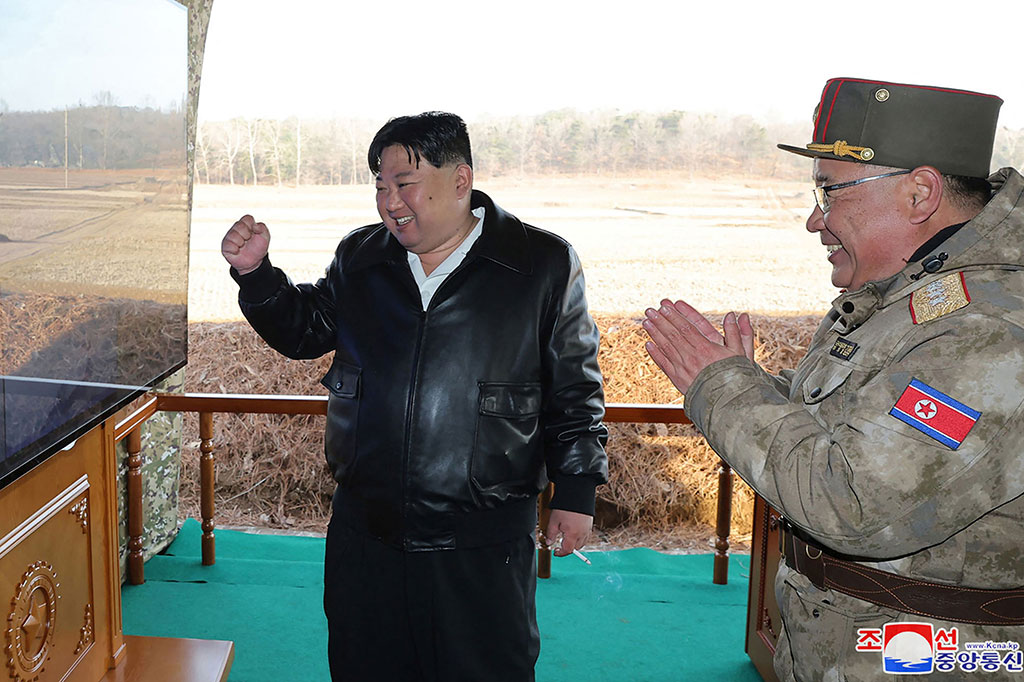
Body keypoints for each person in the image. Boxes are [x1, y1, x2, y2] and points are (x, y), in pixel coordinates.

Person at [643, 78, 1024, 680]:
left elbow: (851, 503)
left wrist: (722, 388)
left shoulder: (990, 328)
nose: (814, 221)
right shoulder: (909, 295)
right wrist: (754, 384)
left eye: (828, 192)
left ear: (920, 193)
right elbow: (846, 422)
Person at [220, 112, 608, 681]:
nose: (389, 200)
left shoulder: (539, 264)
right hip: (366, 527)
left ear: (460, 180)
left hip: (481, 533)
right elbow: (306, 330)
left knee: (485, 670)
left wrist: (575, 490)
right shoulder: (362, 258)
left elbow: (574, 386)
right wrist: (256, 276)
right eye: (380, 184)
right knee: (364, 665)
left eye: (404, 183)